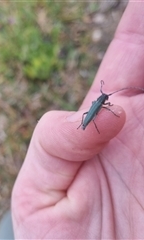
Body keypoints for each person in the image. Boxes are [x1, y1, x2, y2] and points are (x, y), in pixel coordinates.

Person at [12, 2, 144, 239]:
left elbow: (104, 103)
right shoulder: (101, 104)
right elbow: (101, 106)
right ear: (103, 99)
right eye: (104, 98)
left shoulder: (102, 103)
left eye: (104, 98)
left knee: (96, 116)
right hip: (89, 122)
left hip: (91, 120)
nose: (104, 99)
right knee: (92, 119)